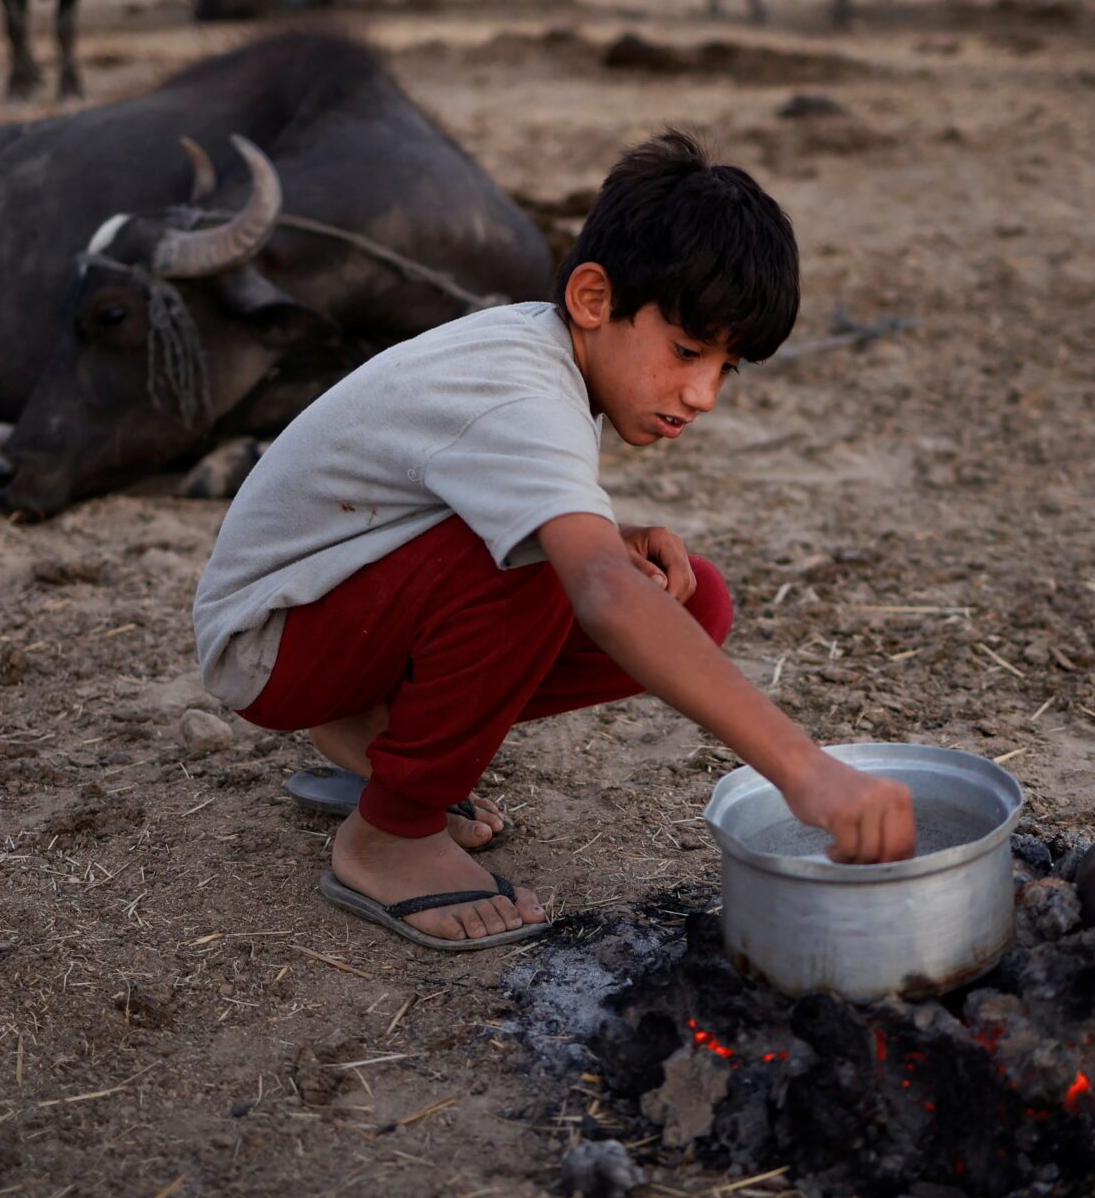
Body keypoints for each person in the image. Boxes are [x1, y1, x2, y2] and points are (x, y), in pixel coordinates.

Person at [190, 131, 917, 951]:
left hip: (334, 611)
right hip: (271, 638)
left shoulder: (542, 358)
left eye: (726, 366)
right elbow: (594, 587)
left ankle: (375, 728)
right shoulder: (521, 390)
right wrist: (807, 771)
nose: (705, 393)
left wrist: (613, 537)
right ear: (594, 298)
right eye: (686, 351)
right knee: (560, 567)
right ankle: (389, 834)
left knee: (692, 597)